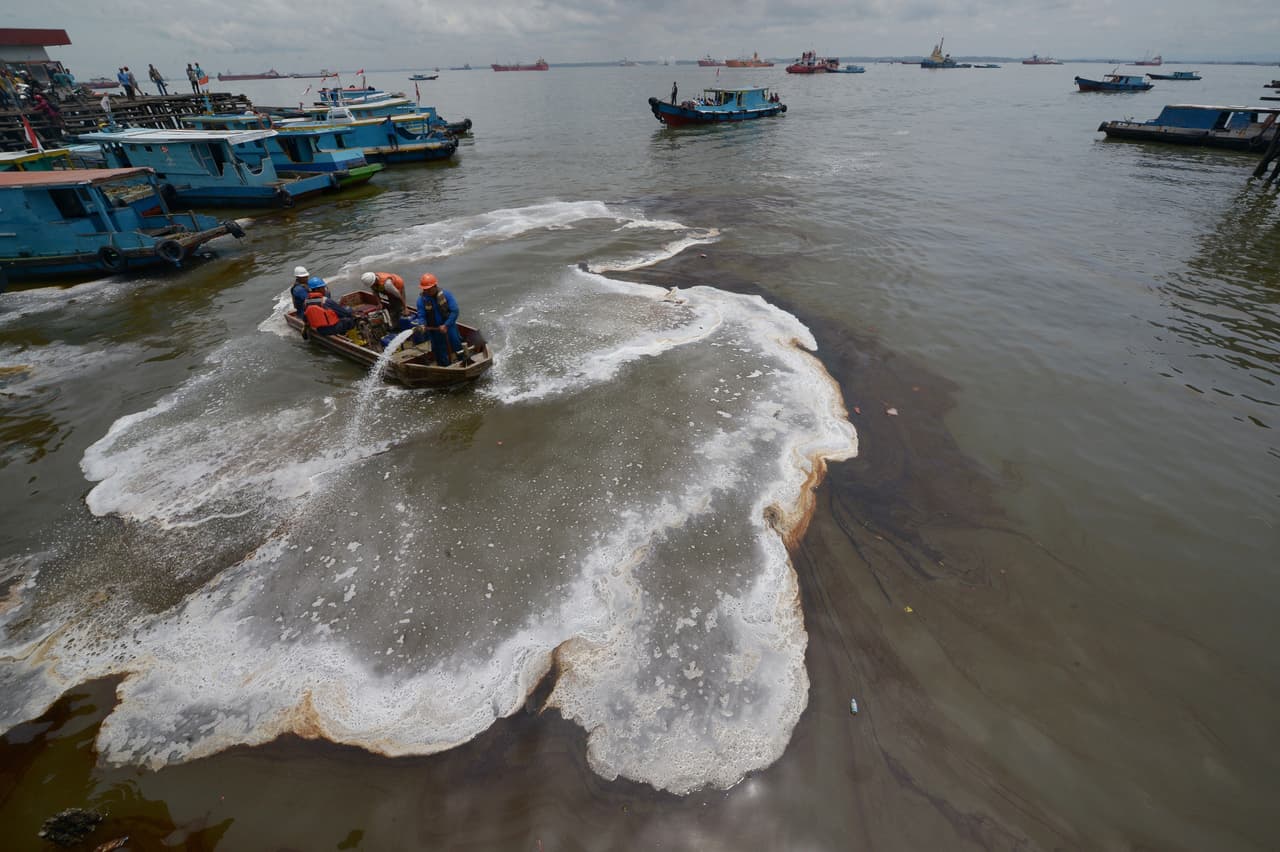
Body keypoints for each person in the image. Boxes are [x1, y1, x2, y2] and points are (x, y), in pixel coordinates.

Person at [414, 273, 464, 366]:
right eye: (425, 289)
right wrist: (422, 324)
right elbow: (421, 316)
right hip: (434, 330)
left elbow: (455, 311)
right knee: (439, 350)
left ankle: (463, 361)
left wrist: (446, 325)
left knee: (456, 344)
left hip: (449, 326)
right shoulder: (421, 301)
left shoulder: (446, 295)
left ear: (435, 286)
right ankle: (444, 366)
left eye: (429, 289)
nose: (427, 291)